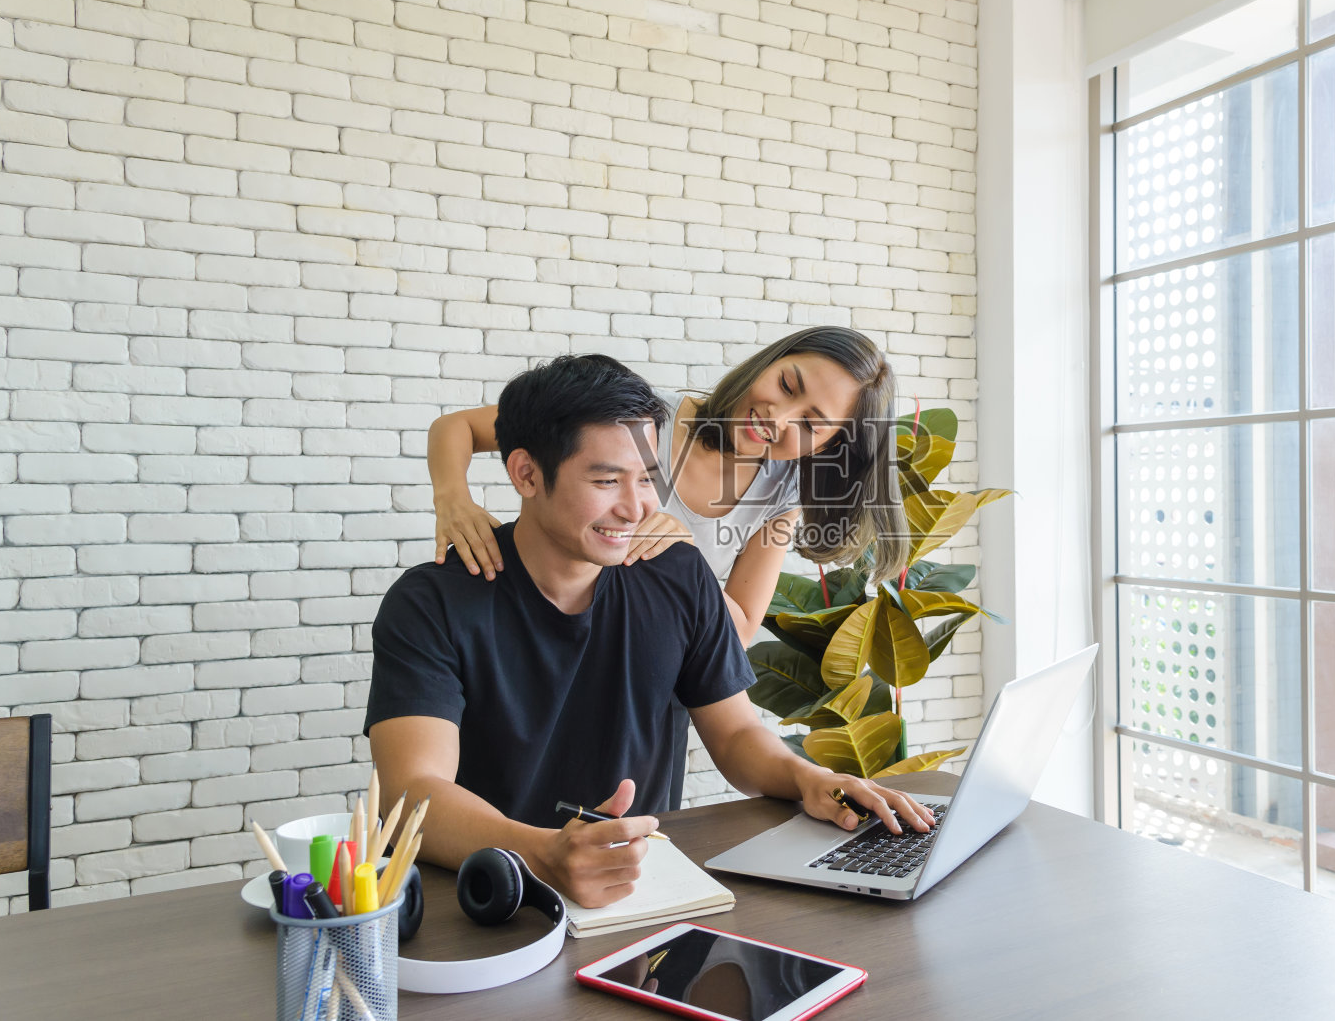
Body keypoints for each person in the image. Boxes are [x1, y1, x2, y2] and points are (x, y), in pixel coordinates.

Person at [365, 354, 934, 908]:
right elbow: (411, 790)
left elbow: (736, 734)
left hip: (637, 890)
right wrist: (543, 853)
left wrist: (810, 778)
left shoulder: (680, 572)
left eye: (648, 480)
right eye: (607, 480)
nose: (638, 508)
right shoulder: (432, 602)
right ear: (526, 473)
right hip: (487, 894)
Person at [427, 326, 906, 644]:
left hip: (641, 673)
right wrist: (453, 499)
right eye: (786, 385)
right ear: (768, 363)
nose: (777, 417)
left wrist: (685, 558)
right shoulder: (642, 418)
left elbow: (738, 630)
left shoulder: (780, 495)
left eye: (810, 424)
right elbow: (458, 427)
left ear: (827, 446)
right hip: (536, 634)